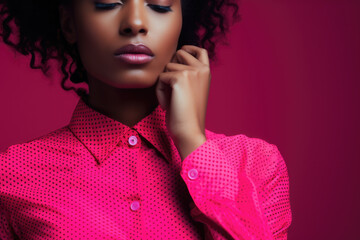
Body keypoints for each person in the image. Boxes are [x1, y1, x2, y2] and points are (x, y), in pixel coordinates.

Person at [0, 0, 292, 239]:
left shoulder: (255, 163)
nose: (135, 23)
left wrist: (191, 139)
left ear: (181, 22)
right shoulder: (13, 174)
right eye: (108, 3)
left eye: (160, 5)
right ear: (69, 23)